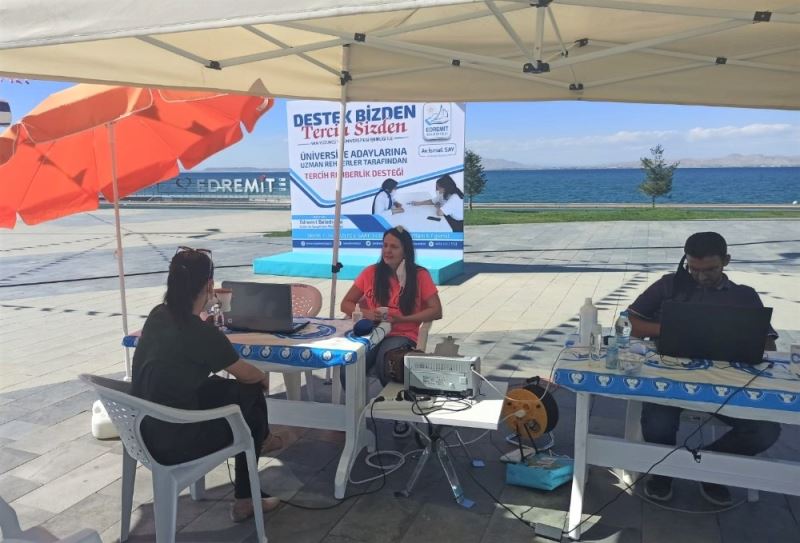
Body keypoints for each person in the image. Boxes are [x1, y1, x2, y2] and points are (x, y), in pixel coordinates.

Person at [627, 232, 781, 506]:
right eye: (693, 269)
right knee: (658, 422)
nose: (700, 276)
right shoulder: (669, 285)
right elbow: (633, 323)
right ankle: (664, 473)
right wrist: (677, 328)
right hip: (669, 380)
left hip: (730, 384)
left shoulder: (743, 296)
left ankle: (709, 467)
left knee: (765, 431)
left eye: (710, 269)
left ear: (726, 261)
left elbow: (768, 345)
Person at [131, 246, 281, 523]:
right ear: (210, 285)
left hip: (140, 427)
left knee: (233, 392)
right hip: (176, 439)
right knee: (249, 399)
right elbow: (248, 375)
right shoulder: (201, 333)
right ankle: (248, 489)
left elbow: (183, 349)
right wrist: (262, 377)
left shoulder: (157, 315)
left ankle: (263, 442)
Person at [340, 226, 443, 436]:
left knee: (386, 361)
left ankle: (399, 414)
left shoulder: (419, 275)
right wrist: (368, 313)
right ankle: (354, 414)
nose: (387, 250)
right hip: (373, 332)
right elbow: (346, 303)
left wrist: (403, 319)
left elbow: (436, 310)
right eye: (385, 245)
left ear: (405, 250)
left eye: (394, 247)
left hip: (402, 334)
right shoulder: (371, 272)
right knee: (349, 362)